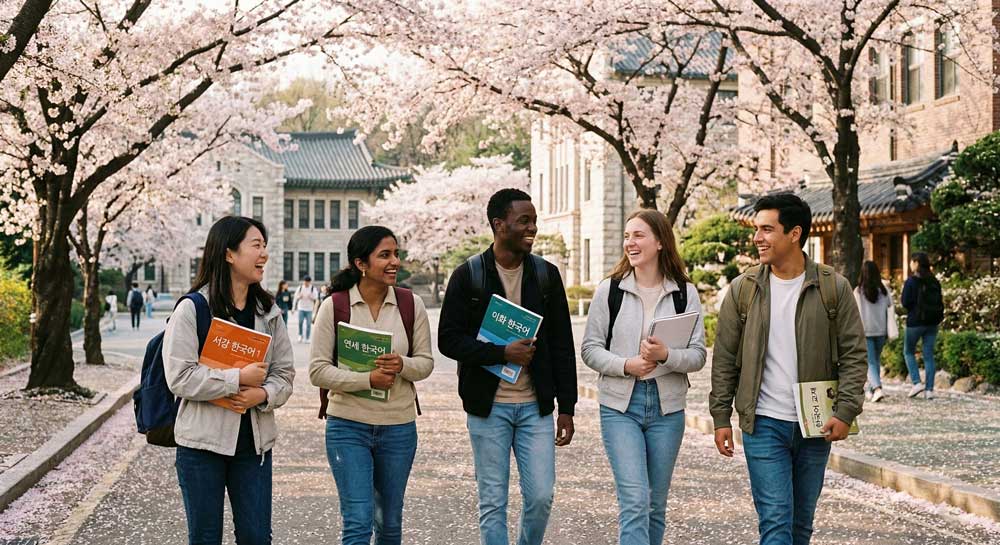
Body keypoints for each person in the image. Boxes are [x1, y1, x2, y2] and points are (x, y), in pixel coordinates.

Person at [709, 194, 867, 545]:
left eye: (767, 229)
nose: (757, 238)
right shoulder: (743, 290)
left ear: (795, 234)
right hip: (762, 424)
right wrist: (720, 417)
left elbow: (855, 355)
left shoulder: (832, 287)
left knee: (800, 526)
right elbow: (724, 358)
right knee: (777, 523)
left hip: (816, 425)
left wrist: (845, 411)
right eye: (756, 229)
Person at [438, 188, 577, 545]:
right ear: (499, 225)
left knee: (541, 496)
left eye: (534, 221)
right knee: (493, 500)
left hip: (535, 407)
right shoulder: (469, 275)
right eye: (524, 221)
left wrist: (567, 408)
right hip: (488, 407)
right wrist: (501, 353)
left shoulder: (546, 275)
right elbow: (448, 340)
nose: (533, 228)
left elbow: (562, 344)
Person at [162, 216, 295, 545]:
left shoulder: (268, 311)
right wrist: (237, 379)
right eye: (256, 245)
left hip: (254, 446)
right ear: (228, 254)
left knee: (256, 537)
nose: (264, 254)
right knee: (205, 538)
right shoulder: (193, 309)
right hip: (201, 446)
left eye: (265, 246)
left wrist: (263, 394)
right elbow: (179, 377)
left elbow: (285, 374)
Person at [581, 209, 707, 545]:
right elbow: (590, 349)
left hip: (668, 409)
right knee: (635, 501)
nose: (629, 243)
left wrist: (666, 355)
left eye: (638, 235)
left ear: (660, 242)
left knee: (654, 506)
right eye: (627, 236)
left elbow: (698, 355)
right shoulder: (610, 291)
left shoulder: (684, 293)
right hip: (620, 407)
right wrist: (627, 365)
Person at [309, 226, 434, 545]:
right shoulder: (335, 306)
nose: (395, 262)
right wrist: (367, 379)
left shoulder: (410, 304)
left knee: (389, 523)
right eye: (385, 255)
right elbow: (317, 371)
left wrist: (402, 364)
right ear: (361, 264)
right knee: (358, 522)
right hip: (347, 426)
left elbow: (426, 363)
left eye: (396, 254)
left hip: (398, 427)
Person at [901, 252, 944, 400]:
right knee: (929, 355)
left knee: (908, 351)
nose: (910, 264)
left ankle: (916, 382)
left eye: (912, 261)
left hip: (915, 322)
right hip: (932, 323)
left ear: (916, 263)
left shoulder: (911, 282)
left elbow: (905, 302)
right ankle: (929, 390)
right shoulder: (934, 281)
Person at [853, 260, 894, 403]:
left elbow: (854, 312)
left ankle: (877, 388)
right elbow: (890, 305)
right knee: (875, 361)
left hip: (865, 331)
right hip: (881, 331)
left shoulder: (858, 291)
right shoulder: (884, 290)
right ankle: (870, 390)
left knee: (870, 363)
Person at [293, 276, 319, 342]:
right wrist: (299, 297)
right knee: (300, 322)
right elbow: (295, 298)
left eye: (307, 282)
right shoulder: (300, 288)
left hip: (309, 309)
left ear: (309, 282)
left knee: (308, 324)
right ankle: (300, 335)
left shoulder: (313, 288)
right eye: (305, 282)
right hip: (301, 308)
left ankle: (307, 338)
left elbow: (316, 298)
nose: (306, 283)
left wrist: (311, 297)